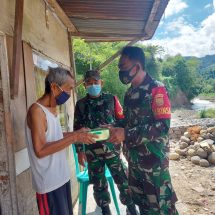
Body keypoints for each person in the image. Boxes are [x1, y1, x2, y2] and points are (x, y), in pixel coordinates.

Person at [109, 46, 178, 215]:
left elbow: (163, 127)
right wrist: (116, 128)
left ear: (137, 67)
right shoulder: (129, 93)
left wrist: (126, 134)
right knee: (144, 208)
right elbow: (129, 121)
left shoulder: (157, 89)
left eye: (123, 66)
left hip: (154, 165)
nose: (120, 71)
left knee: (162, 208)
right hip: (134, 163)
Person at [25, 67, 97, 215]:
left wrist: (76, 133)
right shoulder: (36, 111)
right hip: (49, 185)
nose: (70, 94)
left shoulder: (52, 109)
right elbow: (40, 150)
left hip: (62, 179)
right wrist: (75, 137)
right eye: (68, 89)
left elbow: (54, 136)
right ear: (53, 87)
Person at [74, 70, 137, 215]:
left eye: (96, 82)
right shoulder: (81, 104)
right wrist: (80, 150)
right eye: (89, 83)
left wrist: (113, 126)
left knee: (122, 179)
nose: (93, 85)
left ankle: (132, 208)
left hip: (112, 149)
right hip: (92, 151)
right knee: (98, 183)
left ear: (101, 83)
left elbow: (123, 120)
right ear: (84, 85)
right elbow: (77, 129)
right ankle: (105, 210)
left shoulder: (111, 99)